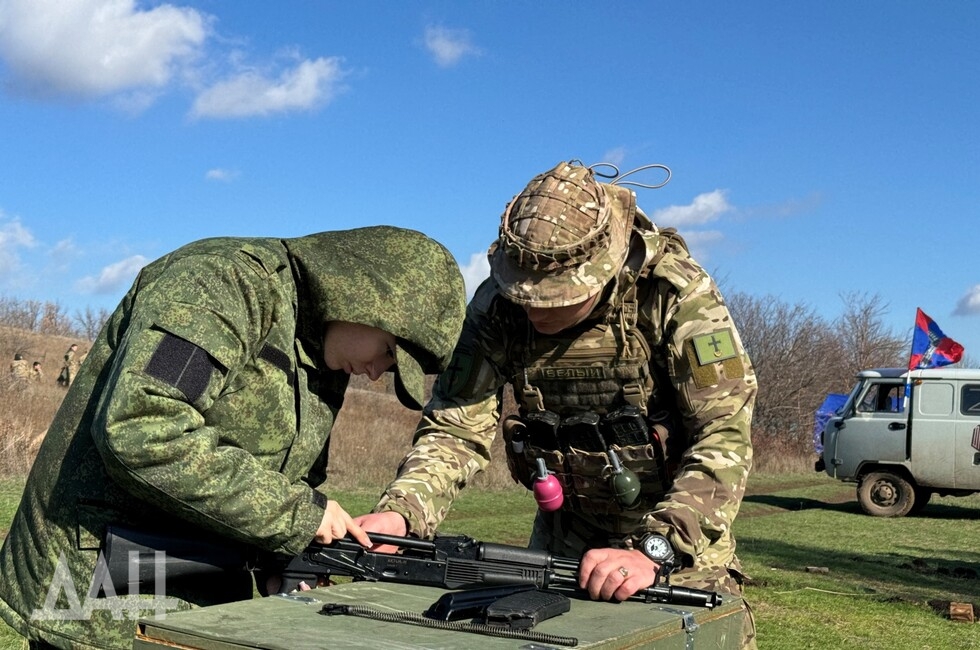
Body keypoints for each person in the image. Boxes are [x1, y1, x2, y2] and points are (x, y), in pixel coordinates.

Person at [0, 226, 467, 650]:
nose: (374, 373)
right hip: (96, 590)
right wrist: (296, 518)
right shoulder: (221, 285)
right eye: (387, 353)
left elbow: (281, 474)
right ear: (361, 297)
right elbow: (143, 427)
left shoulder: (322, 351)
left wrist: (278, 561)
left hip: (196, 589)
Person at [355, 161, 758, 647]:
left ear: (602, 270)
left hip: (679, 557)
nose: (533, 308)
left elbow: (723, 437)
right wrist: (403, 514)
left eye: (553, 295)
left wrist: (658, 548)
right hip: (563, 553)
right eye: (524, 293)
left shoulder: (674, 295)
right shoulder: (498, 307)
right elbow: (455, 427)